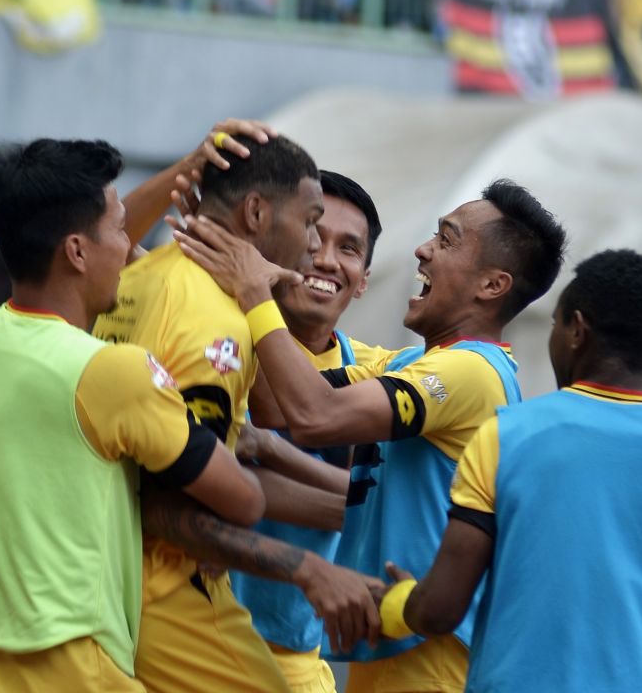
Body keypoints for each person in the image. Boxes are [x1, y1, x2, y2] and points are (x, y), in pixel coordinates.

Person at [175, 178, 568, 693]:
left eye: (446, 240)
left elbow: (314, 415)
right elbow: (278, 406)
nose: (422, 250)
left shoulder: (472, 372)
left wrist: (253, 290)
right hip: (388, 643)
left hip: (432, 659)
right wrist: (240, 266)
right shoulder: (413, 363)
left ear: (492, 285)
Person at [0, 139, 264, 693]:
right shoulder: (114, 374)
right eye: (122, 233)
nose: (130, 248)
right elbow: (245, 500)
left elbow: (86, 230)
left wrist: (185, 167)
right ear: (78, 252)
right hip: (67, 667)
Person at [379, 249, 642, 692]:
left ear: (577, 329)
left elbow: (440, 610)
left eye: (555, 324)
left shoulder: (506, 437)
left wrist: (397, 603)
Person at [93, 134, 382, 693]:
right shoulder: (216, 319)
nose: (318, 248)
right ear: (256, 213)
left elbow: (280, 417)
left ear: (365, 277)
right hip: (169, 596)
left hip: (111, 586)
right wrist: (304, 564)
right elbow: (168, 500)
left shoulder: (135, 278)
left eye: (347, 246)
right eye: (313, 222)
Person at [230, 169, 387, 693]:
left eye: (349, 249)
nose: (326, 259)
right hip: (200, 645)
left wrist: (269, 452)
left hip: (303, 661)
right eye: (314, 239)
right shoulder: (216, 336)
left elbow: (383, 500)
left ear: (363, 278)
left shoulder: (383, 371)